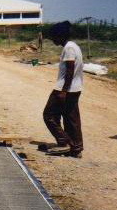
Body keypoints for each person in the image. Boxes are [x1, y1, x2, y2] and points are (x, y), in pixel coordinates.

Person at [43, 21, 84, 158]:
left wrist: (64, 91)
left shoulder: (69, 48)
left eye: (54, 37)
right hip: (74, 88)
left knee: (49, 115)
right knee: (71, 118)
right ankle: (76, 148)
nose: (53, 39)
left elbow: (70, 70)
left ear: (60, 36)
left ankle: (64, 142)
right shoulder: (73, 46)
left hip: (64, 88)